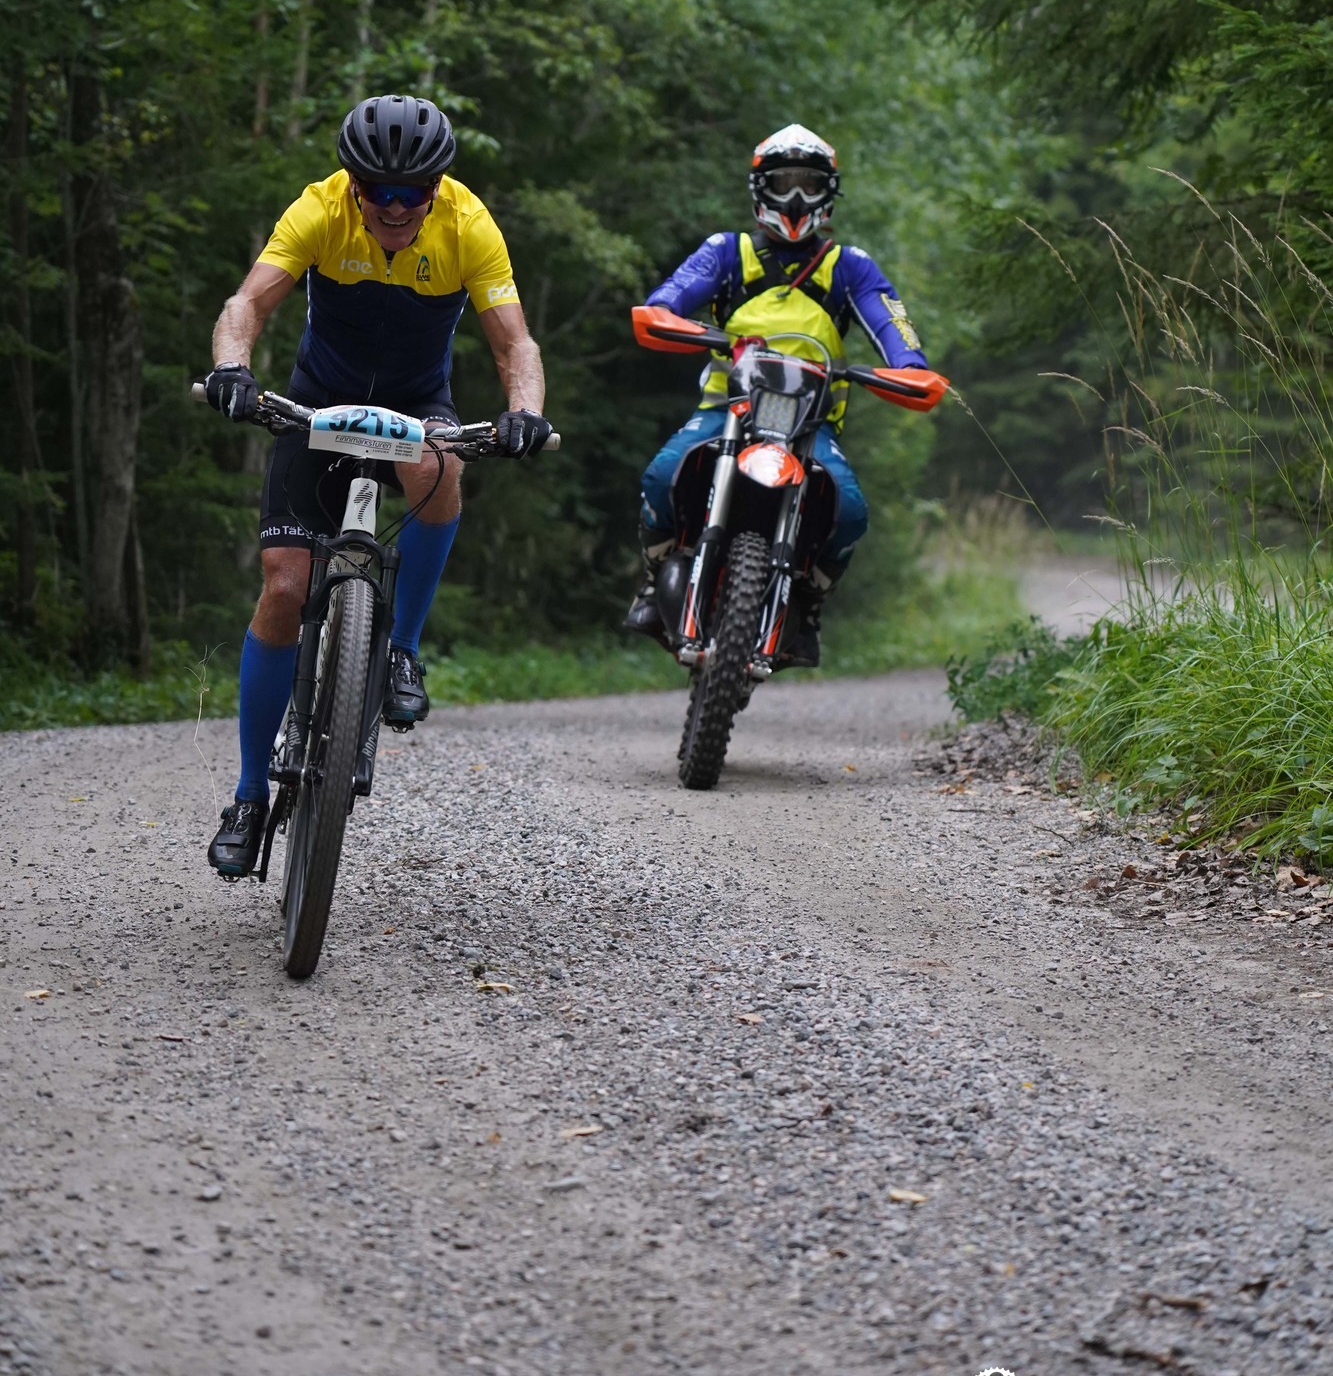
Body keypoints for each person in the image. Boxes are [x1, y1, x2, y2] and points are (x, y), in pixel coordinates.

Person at [203, 93, 551, 878]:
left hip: (416, 404)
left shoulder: (469, 225)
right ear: (353, 184)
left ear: (436, 187)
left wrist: (525, 410)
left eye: (412, 192)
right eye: (377, 191)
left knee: (441, 465)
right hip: (317, 402)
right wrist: (231, 367)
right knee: (285, 589)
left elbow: (514, 344)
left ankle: (402, 651)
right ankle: (249, 795)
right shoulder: (319, 209)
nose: (395, 207)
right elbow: (247, 303)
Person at [626, 123, 930, 667]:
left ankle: (807, 605)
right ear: (760, 188)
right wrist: (666, 315)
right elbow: (668, 299)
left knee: (850, 511)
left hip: (810, 424)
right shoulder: (727, 251)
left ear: (828, 193)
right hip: (726, 409)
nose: (795, 197)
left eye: (808, 184)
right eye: (782, 182)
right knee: (661, 475)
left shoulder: (850, 267)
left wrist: (909, 367)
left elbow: (894, 327)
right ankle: (653, 583)